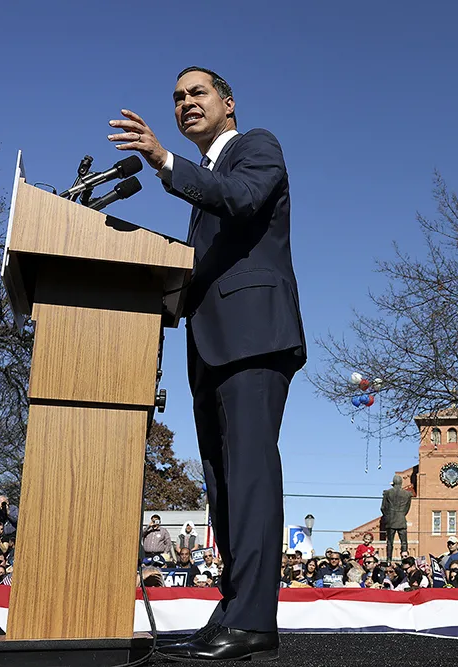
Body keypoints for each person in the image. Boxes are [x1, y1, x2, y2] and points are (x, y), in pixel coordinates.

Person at [110, 66, 305, 661]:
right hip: (208, 343)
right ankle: (233, 609)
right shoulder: (204, 182)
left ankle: (254, 622)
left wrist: (165, 162)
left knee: (248, 475)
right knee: (220, 486)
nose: (185, 103)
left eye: (198, 93)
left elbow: (242, 201)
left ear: (229, 103)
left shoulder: (256, 148)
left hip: (253, 338)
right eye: (177, 97)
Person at [381, 475, 412, 562]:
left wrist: (389, 516)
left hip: (391, 520)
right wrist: (401, 514)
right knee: (404, 542)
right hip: (401, 519)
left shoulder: (387, 493)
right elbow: (407, 507)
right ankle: (405, 559)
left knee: (390, 542)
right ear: (401, 483)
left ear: (393, 482)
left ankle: (389, 560)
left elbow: (383, 507)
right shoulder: (407, 494)